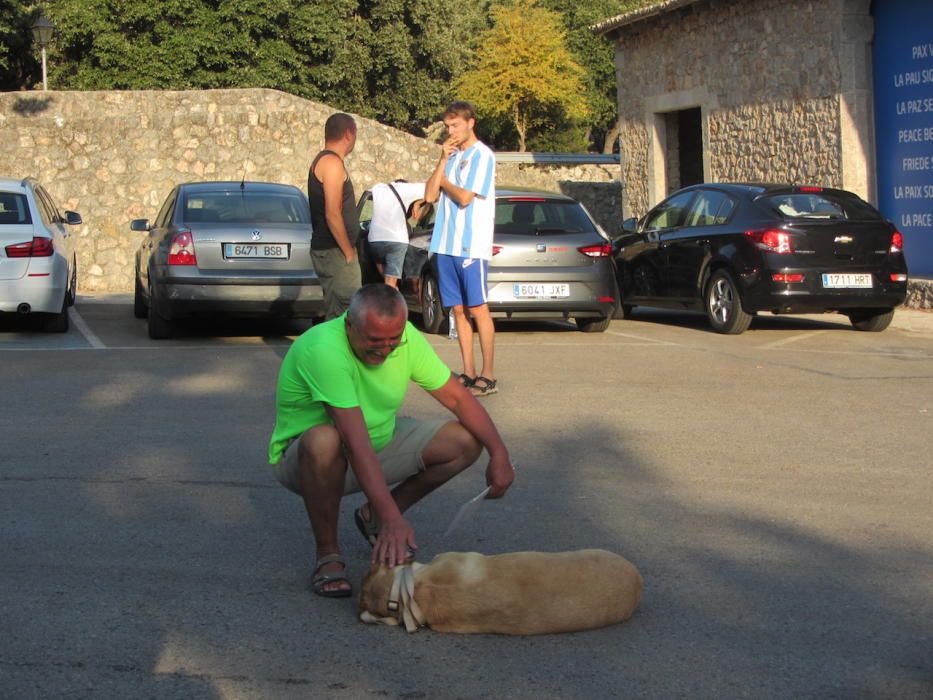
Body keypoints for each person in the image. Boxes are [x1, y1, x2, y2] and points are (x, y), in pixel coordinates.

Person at [267, 284, 514, 598]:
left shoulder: (407, 337)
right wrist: (395, 522)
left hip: (376, 445)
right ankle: (328, 554)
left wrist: (499, 453)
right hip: (308, 461)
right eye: (373, 341)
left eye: (392, 341)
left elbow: (458, 398)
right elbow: (354, 442)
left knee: (465, 440)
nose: (384, 350)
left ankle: (374, 518)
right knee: (323, 439)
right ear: (348, 325)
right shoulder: (324, 349)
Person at [424, 101, 498, 397]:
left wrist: (445, 183)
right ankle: (467, 371)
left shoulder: (483, 156)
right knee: (457, 310)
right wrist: (441, 162)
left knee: (478, 308)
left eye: (455, 125)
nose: (451, 131)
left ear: (471, 123)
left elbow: (466, 197)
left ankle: (488, 373)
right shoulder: (452, 157)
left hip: (471, 246)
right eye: (447, 127)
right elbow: (430, 195)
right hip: (445, 244)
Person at [308, 112, 362, 320]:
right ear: (349, 134)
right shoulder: (331, 163)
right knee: (346, 314)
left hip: (331, 250)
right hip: (335, 251)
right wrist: (348, 251)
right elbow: (333, 213)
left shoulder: (326, 161)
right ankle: (336, 353)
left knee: (338, 312)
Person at [368, 180, 426, 288]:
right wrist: (418, 203)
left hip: (374, 240)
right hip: (396, 239)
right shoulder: (407, 189)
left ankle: (393, 291)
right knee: (390, 283)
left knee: (385, 275)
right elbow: (433, 188)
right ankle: (392, 295)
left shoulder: (378, 188)